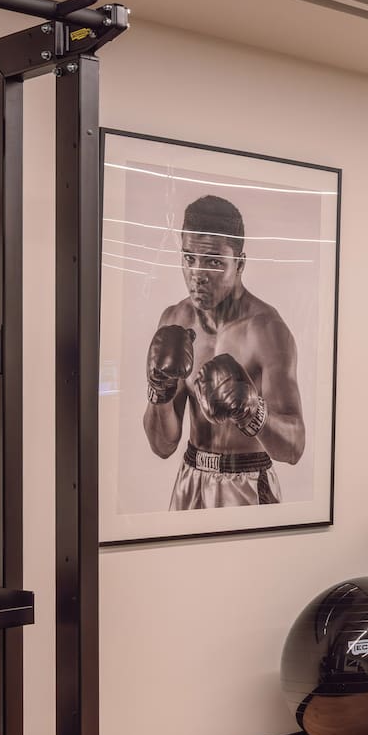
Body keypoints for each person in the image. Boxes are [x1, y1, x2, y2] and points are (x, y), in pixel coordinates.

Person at [142, 194, 305, 509]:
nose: (197, 274)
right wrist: (159, 392)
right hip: (190, 479)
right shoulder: (175, 320)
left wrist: (251, 410)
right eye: (189, 258)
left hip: (249, 483)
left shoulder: (267, 330)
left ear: (240, 263)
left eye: (214, 261)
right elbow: (162, 445)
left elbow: (294, 447)